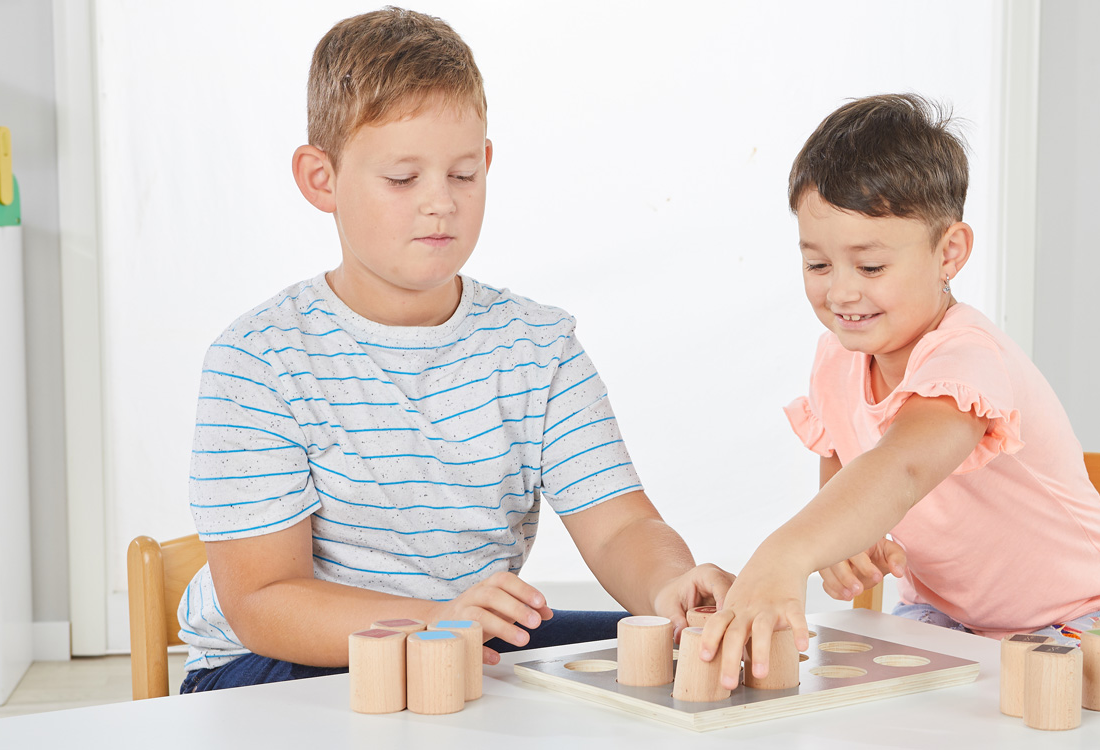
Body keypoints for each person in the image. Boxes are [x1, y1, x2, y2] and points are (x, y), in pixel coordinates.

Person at [177, 7, 729, 693]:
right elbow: (264, 601)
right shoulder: (256, 360)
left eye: (463, 174)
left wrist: (672, 588)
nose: (440, 203)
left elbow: (620, 528)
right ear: (322, 178)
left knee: (655, 656)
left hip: (458, 640)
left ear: (487, 163)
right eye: (403, 179)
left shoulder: (538, 346)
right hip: (273, 664)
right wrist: (434, 621)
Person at [698, 94, 1100, 690]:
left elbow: (905, 466)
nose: (840, 293)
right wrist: (844, 546)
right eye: (817, 266)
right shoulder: (835, 361)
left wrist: (782, 554)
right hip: (952, 618)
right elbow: (847, 488)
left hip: (1085, 617)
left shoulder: (967, 356)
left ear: (949, 252)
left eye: (869, 268)